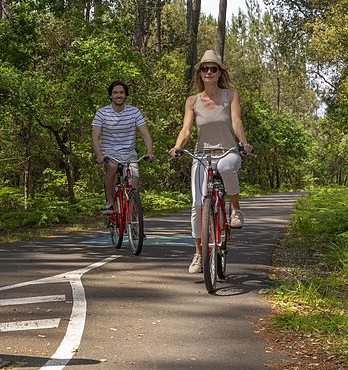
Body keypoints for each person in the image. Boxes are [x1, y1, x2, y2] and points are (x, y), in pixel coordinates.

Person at [168, 50, 252, 274]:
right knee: (197, 205)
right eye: (204, 68)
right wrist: (178, 146)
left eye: (213, 68)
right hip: (202, 155)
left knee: (226, 167)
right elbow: (186, 129)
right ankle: (198, 253)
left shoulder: (231, 94)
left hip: (227, 152)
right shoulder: (192, 101)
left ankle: (235, 210)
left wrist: (244, 143)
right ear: (200, 73)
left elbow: (236, 120)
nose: (208, 72)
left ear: (219, 72)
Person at [91, 81, 155, 213]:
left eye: (121, 92)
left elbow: (145, 134)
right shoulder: (102, 113)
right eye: (115, 93)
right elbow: (95, 137)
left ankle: (132, 212)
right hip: (109, 153)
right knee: (112, 168)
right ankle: (110, 202)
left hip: (129, 153)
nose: (118, 95)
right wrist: (99, 155)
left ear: (125, 95)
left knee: (134, 179)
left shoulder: (134, 111)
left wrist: (149, 152)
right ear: (110, 95)